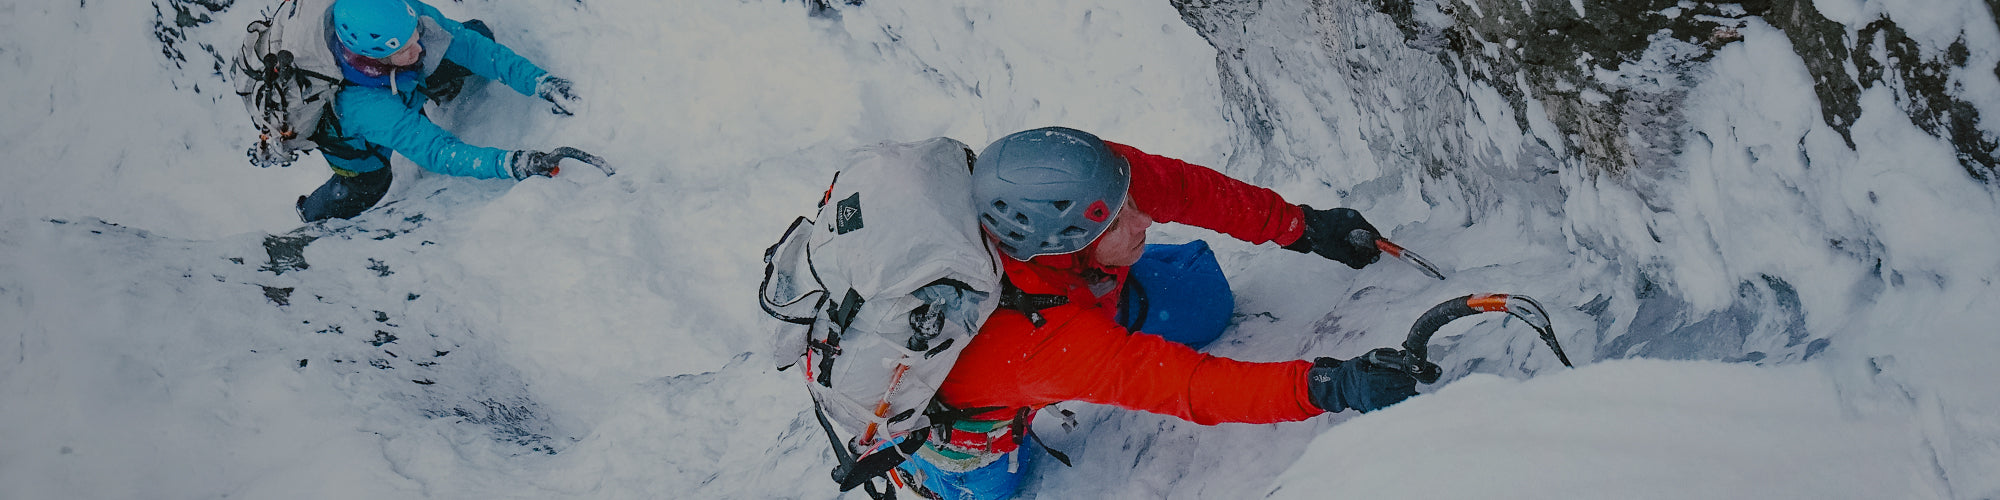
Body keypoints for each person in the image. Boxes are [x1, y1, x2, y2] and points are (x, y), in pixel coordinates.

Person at [890, 127, 1422, 500]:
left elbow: (1191, 192)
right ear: (1062, 240)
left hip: (1081, 307)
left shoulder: (1087, 183)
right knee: (993, 487)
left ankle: (1109, 304)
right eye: (1125, 219)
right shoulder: (1037, 344)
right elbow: (1189, 386)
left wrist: (1300, 227)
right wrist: (1330, 385)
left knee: (1206, 299)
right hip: (971, 410)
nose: (1146, 216)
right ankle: (924, 475)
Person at [296, 0, 590, 222]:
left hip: (400, 83)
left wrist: (540, 82)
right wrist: (509, 163)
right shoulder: (363, 105)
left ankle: (430, 89)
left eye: (415, 34)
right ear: (372, 57)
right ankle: (312, 214)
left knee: (476, 34)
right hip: (356, 141)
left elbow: (473, 48)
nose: (419, 47)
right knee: (369, 185)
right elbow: (437, 151)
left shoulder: (404, 18)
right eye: (404, 48)